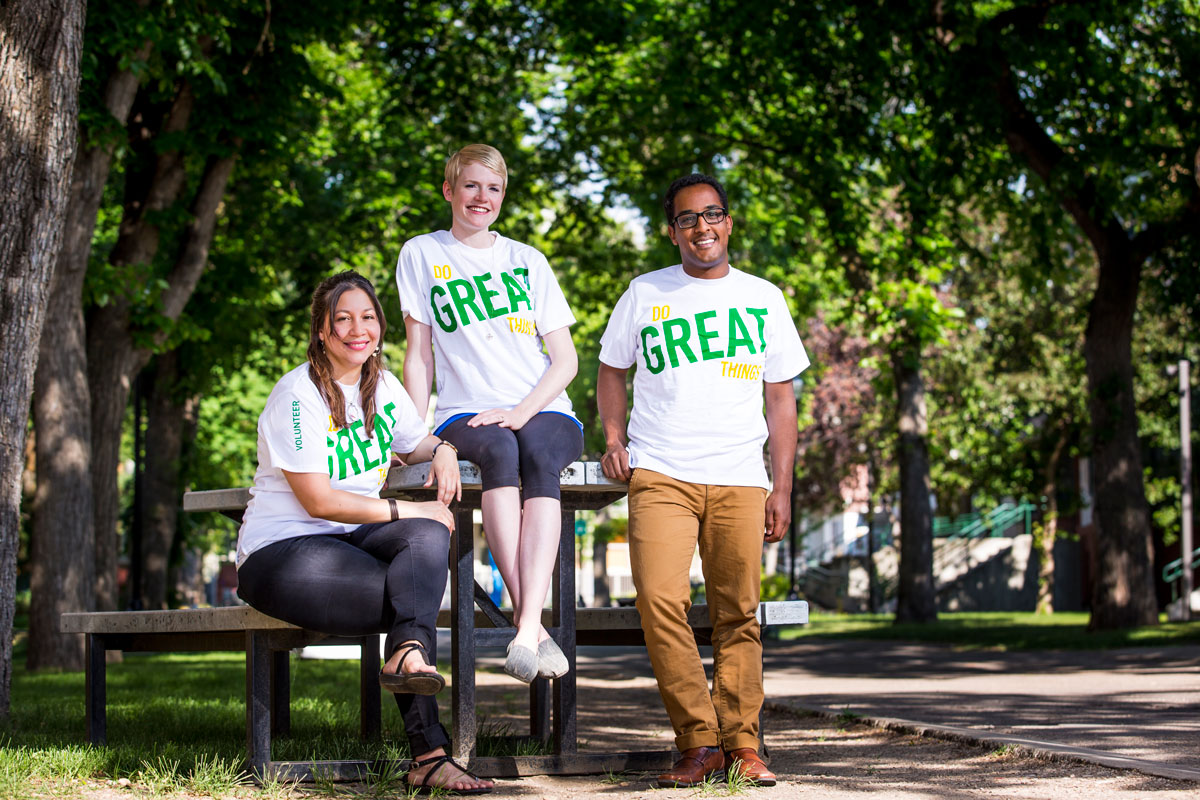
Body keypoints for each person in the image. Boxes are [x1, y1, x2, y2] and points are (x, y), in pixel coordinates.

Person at [236, 270, 493, 795]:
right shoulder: (297, 394)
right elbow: (318, 500)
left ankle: (410, 666)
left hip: (351, 538)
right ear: (323, 331)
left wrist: (442, 449)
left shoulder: (382, 386)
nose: (359, 329)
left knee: (428, 542)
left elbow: (417, 440)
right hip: (282, 552)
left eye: (368, 317)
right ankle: (430, 751)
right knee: (414, 586)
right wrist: (406, 510)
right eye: (343, 319)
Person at [597, 174, 809, 788]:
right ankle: (698, 741)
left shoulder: (762, 297)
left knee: (738, 612)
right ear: (672, 232)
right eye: (687, 219)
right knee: (660, 602)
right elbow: (612, 370)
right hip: (661, 471)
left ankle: (743, 745)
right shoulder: (644, 292)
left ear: (729, 223)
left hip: (741, 475)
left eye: (711, 215)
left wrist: (783, 486)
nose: (701, 227)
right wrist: (615, 439)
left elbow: (782, 398)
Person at [396, 144, 583, 684]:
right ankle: (535, 627)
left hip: (544, 406)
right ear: (450, 190)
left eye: (494, 189)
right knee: (501, 450)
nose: (483, 198)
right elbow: (419, 353)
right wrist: (413, 430)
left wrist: (521, 411)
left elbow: (565, 360)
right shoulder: (421, 253)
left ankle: (524, 628)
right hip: (464, 411)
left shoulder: (528, 260)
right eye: (472, 186)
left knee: (538, 455)